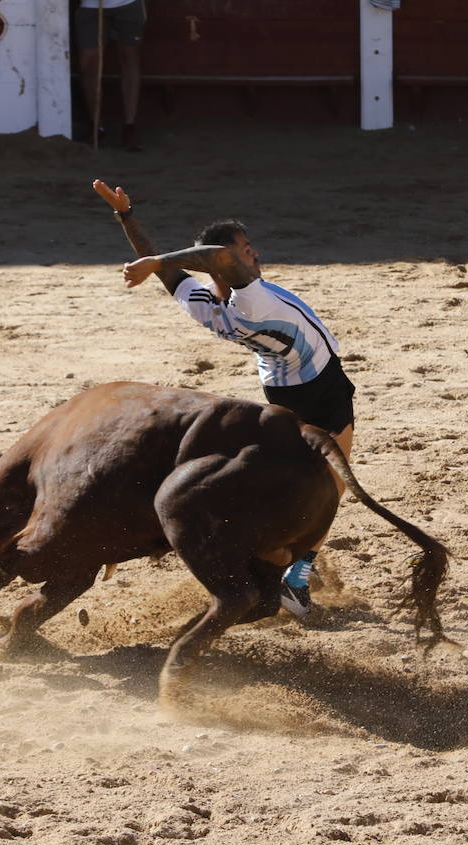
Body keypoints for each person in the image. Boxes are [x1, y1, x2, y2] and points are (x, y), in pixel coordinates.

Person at [92, 178, 357, 618]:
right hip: (319, 388)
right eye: (244, 248)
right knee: (333, 486)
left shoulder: (204, 303)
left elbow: (171, 271)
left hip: (279, 388)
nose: (253, 253)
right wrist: (157, 259)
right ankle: (294, 576)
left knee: (303, 484)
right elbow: (203, 259)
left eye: (250, 245)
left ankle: (277, 561)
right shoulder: (250, 298)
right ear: (224, 264)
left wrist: (127, 217)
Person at [74, 0, 144, 151]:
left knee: (129, 57)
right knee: (89, 65)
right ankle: (97, 127)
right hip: (91, 5)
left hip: (127, 3)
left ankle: (129, 126)